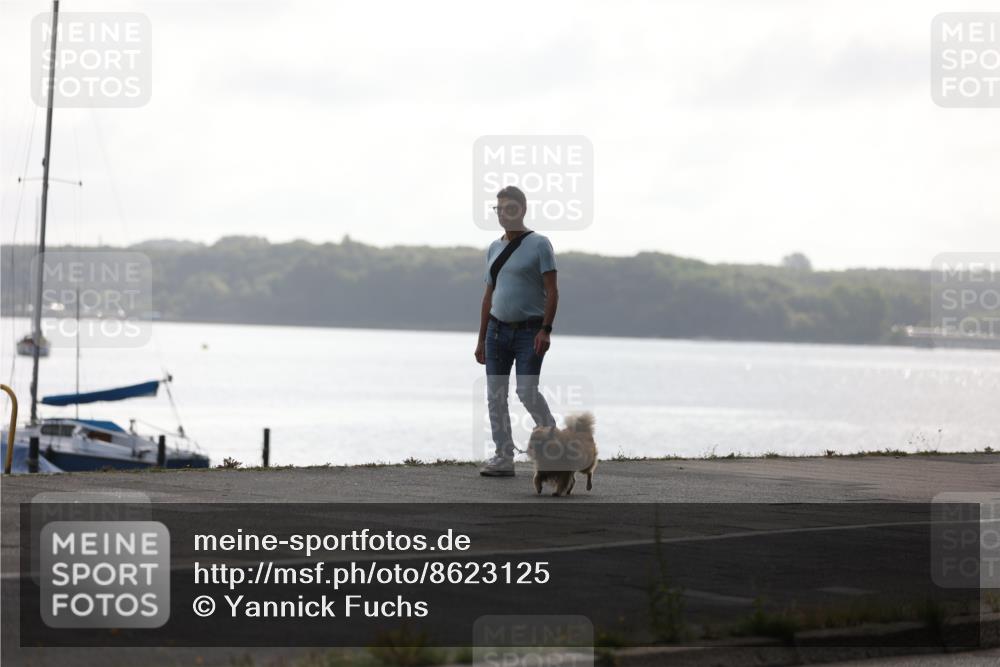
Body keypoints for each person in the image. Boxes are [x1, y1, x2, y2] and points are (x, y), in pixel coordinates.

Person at [474, 185, 558, 476]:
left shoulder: (540, 244)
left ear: (522, 209)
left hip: (529, 332)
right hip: (496, 332)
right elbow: (488, 296)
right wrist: (481, 338)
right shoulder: (494, 248)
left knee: (526, 390)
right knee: (495, 395)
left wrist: (545, 330)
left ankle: (551, 440)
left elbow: (552, 291)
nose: (504, 215)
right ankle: (503, 456)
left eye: (510, 209)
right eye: (499, 209)